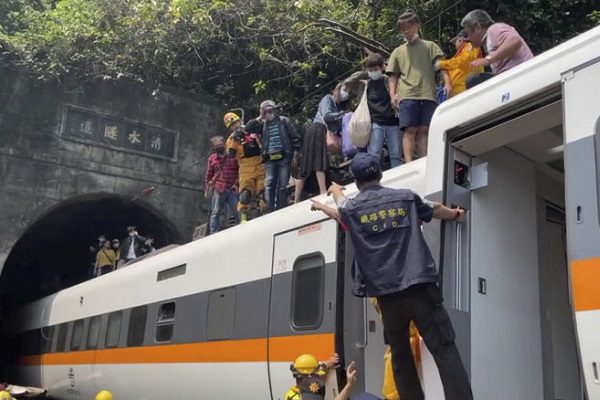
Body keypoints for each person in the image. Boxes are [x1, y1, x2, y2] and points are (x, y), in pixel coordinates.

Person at [310, 152, 473, 400]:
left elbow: (341, 206)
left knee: (400, 356)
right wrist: (456, 215)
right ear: (380, 174)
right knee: (444, 349)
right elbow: (435, 210)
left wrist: (334, 191)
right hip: (419, 289)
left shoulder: (352, 208)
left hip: (388, 298)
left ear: (356, 182)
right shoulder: (406, 198)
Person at [386, 11, 452, 163]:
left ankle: (425, 161)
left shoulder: (430, 46)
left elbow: (441, 66)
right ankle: (409, 164)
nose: (406, 31)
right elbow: (392, 76)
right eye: (403, 28)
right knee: (409, 130)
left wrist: (447, 82)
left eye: (409, 27)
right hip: (407, 94)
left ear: (417, 26)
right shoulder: (398, 51)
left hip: (428, 93)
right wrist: (393, 95)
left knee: (424, 130)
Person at [294, 83, 350, 203]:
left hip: (319, 131)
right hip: (317, 129)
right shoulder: (328, 98)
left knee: (308, 164)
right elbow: (327, 116)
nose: (345, 93)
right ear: (337, 90)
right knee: (318, 162)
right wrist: (341, 115)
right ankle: (322, 193)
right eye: (343, 90)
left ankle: (298, 199)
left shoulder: (338, 106)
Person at [345, 53, 402, 167]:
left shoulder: (388, 81)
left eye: (375, 69)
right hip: (375, 123)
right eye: (370, 69)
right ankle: (374, 179)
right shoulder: (366, 84)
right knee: (374, 154)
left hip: (392, 121)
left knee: (395, 154)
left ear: (382, 67)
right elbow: (349, 81)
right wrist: (366, 74)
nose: (373, 72)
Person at [461, 9, 533, 88]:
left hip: (517, 73)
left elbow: (515, 41)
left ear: (477, 27)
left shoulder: (495, 29)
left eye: (467, 34)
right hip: (511, 77)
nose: (467, 39)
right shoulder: (488, 42)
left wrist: (487, 59)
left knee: (473, 80)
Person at [258, 100, 300, 212]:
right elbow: (248, 128)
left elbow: (295, 138)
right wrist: (260, 117)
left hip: (284, 157)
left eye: (264, 112)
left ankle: (281, 208)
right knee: (269, 183)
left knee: (283, 185)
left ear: (270, 110)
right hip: (269, 159)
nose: (263, 114)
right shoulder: (262, 125)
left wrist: (295, 155)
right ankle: (269, 209)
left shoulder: (284, 121)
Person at [224, 112, 266, 222]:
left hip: (259, 163)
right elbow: (231, 154)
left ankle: (263, 214)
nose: (236, 125)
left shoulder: (251, 131)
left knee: (263, 192)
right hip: (245, 167)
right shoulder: (231, 139)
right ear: (230, 128)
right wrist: (236, 138)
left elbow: (262, 141)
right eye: (232, 125)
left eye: (236, 122)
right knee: (245, 194)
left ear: (240, 121)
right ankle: (243, 218)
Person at [205, 135, 239, 233]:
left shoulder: (232, 155)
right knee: (215, 212)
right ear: (214, 148)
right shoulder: (212, 159)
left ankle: (238, 230)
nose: (219, 146)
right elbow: (209, 175)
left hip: (232, 188)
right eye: (217, 145)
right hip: (219, 188)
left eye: (220, 144)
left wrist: (237, 184)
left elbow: (239, 170)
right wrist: (207, 190)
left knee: (237, 210)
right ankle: (213, 232)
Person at [285, 353, 357, 400]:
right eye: (316, 375)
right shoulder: (308, 395)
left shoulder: (292, 392)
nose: (319, 377)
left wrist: (327, 364)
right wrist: (349, 384)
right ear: (309, 377)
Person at [436, 30, 484, 96]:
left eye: (455, 42)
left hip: (467, 91)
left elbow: (464, 61)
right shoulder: (459, 55)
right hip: (459, 93)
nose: (455, 45)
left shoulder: (470, 46)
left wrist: (441, 64)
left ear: (460, 40)